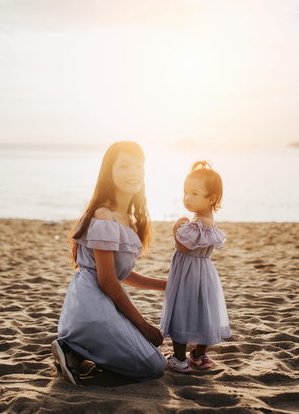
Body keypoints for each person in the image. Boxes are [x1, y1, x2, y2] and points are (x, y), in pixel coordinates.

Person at [52, 141, 168, 384]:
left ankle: (77, 355)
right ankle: (73, 348)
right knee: (153, 366)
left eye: (138, 166)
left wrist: (166, 285)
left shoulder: (130, 221)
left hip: (103, 299)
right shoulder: (104, 216)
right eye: (124, 166)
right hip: (91, 304)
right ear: (109, 173)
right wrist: (142, 324)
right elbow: (106, 280)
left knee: (154, 358)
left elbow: (122, 274)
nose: (133, 172)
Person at [160, 161, 231, 372]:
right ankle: (199, 356)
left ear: (211, 199)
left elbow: (184, 245)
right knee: (203, 311)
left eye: (194, 193)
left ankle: (180, 359)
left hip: (189, 272)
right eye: (185, 192)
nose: (187, 198)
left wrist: (175, 228)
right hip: (201, 271)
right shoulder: (202, 219)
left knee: (182, 309)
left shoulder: (202, 223)